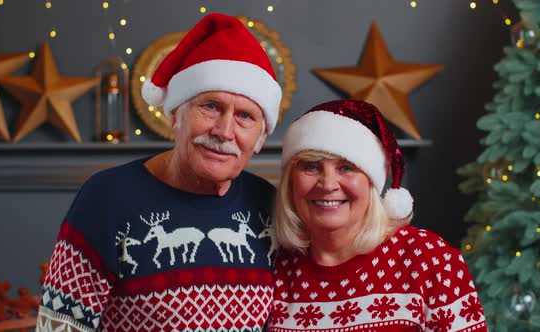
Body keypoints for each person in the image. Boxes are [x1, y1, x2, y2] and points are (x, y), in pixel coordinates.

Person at [36, 13, 282, 332]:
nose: (224, 131)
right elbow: (58, 326)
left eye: (245, 116)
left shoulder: (268, 205)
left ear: (261, 138)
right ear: (175, 114)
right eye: (210, 106)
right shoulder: (107, 198)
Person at [268, 100, 487, 331]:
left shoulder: (429, 259)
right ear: (291, 182)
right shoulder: (274, 268)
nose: (328, 184)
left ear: (372, 182)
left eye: (346, 167)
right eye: (311, 167)